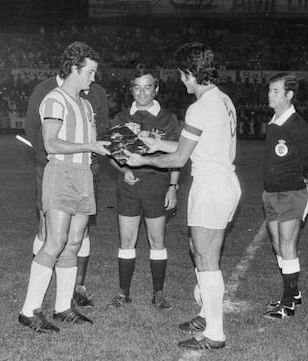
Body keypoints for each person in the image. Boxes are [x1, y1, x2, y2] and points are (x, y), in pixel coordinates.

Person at [125, 43, 241, 350]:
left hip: (211, 185)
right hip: (224, 182)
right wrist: (153, 141)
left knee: (206, 257)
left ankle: (215, 333)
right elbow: (190, 144)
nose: (182, 81)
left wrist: (143, 160)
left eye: (183, 75)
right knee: (199, 249)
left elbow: (179, 159)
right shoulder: (223, 100)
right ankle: (206, 315)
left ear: (190, 73)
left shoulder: (199, 106)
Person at [18, 42, 110, 333]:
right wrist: (90, 145)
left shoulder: (85, 103)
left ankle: (63, 307)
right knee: (55, 242)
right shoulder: (54, 100)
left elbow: (94, 143)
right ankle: (28, 310)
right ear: (74, 68)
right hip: (60, 172)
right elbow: (52, 143)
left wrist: (115, 145)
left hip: (84, 173)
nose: (93, 78)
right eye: (90, 72)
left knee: (73, 242)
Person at [108, 68, 180, 310]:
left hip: (157, 185)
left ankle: (158, 293)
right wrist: (124, 171)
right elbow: (112, 155)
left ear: (156, 89)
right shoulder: (120, 117)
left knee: (156, 240)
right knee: (127, 240)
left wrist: (173, 186)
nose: (142, 92)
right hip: (128, 187)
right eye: (137, 87)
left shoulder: (167, 117)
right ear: (131, 90)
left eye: (147, 87)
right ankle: (123, 292)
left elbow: (178, 155)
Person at [262, 73, 308, 319]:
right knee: (277, 245)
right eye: (270, 90)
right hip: (271, 194)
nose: (270, 95)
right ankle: (293, 293)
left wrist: (306, 181)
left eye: (276, 91)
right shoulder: (274, 120)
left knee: (287, 246)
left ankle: (287, 305)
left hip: (291, 194)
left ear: (289, 95)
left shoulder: (296, 124)